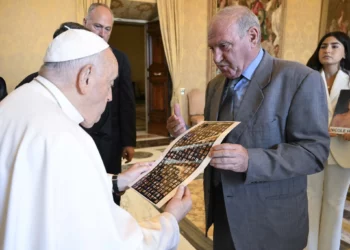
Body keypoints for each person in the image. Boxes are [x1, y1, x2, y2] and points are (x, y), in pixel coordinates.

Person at [0, 28, 192, 250]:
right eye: (110, 83)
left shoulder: (14, 103)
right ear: (86, 77)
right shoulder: (66, 138)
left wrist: (116, 181)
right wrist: (169, 218)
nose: (110, 96)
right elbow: (113, 244)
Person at [167, 6, 329, 250]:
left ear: (253, 37)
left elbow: (314, 153)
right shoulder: (215, 86)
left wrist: (250, 160)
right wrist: (185, 135)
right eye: (212, 48)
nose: (216, 58)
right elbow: (215, 144)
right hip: (224, 218)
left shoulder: (299, 79)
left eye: (224, 46)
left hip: (273, 223)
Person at [83, 4, 136, 189]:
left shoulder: (120, 59)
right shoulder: (72, 55)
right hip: (80, 137)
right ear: (85, 23)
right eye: (97, 26)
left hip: (111, 141)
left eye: (107, 29)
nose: (102, 33)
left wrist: (128, 142)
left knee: (112, 191)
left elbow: (127, 103)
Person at [306, 31, 350, 250]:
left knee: (334, 204)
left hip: (343, 150)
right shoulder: (307, 79)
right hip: (312, 150)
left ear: (344, 53)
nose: (328, 50)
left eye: (334, 46)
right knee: (310, 201)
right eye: (323, 46)